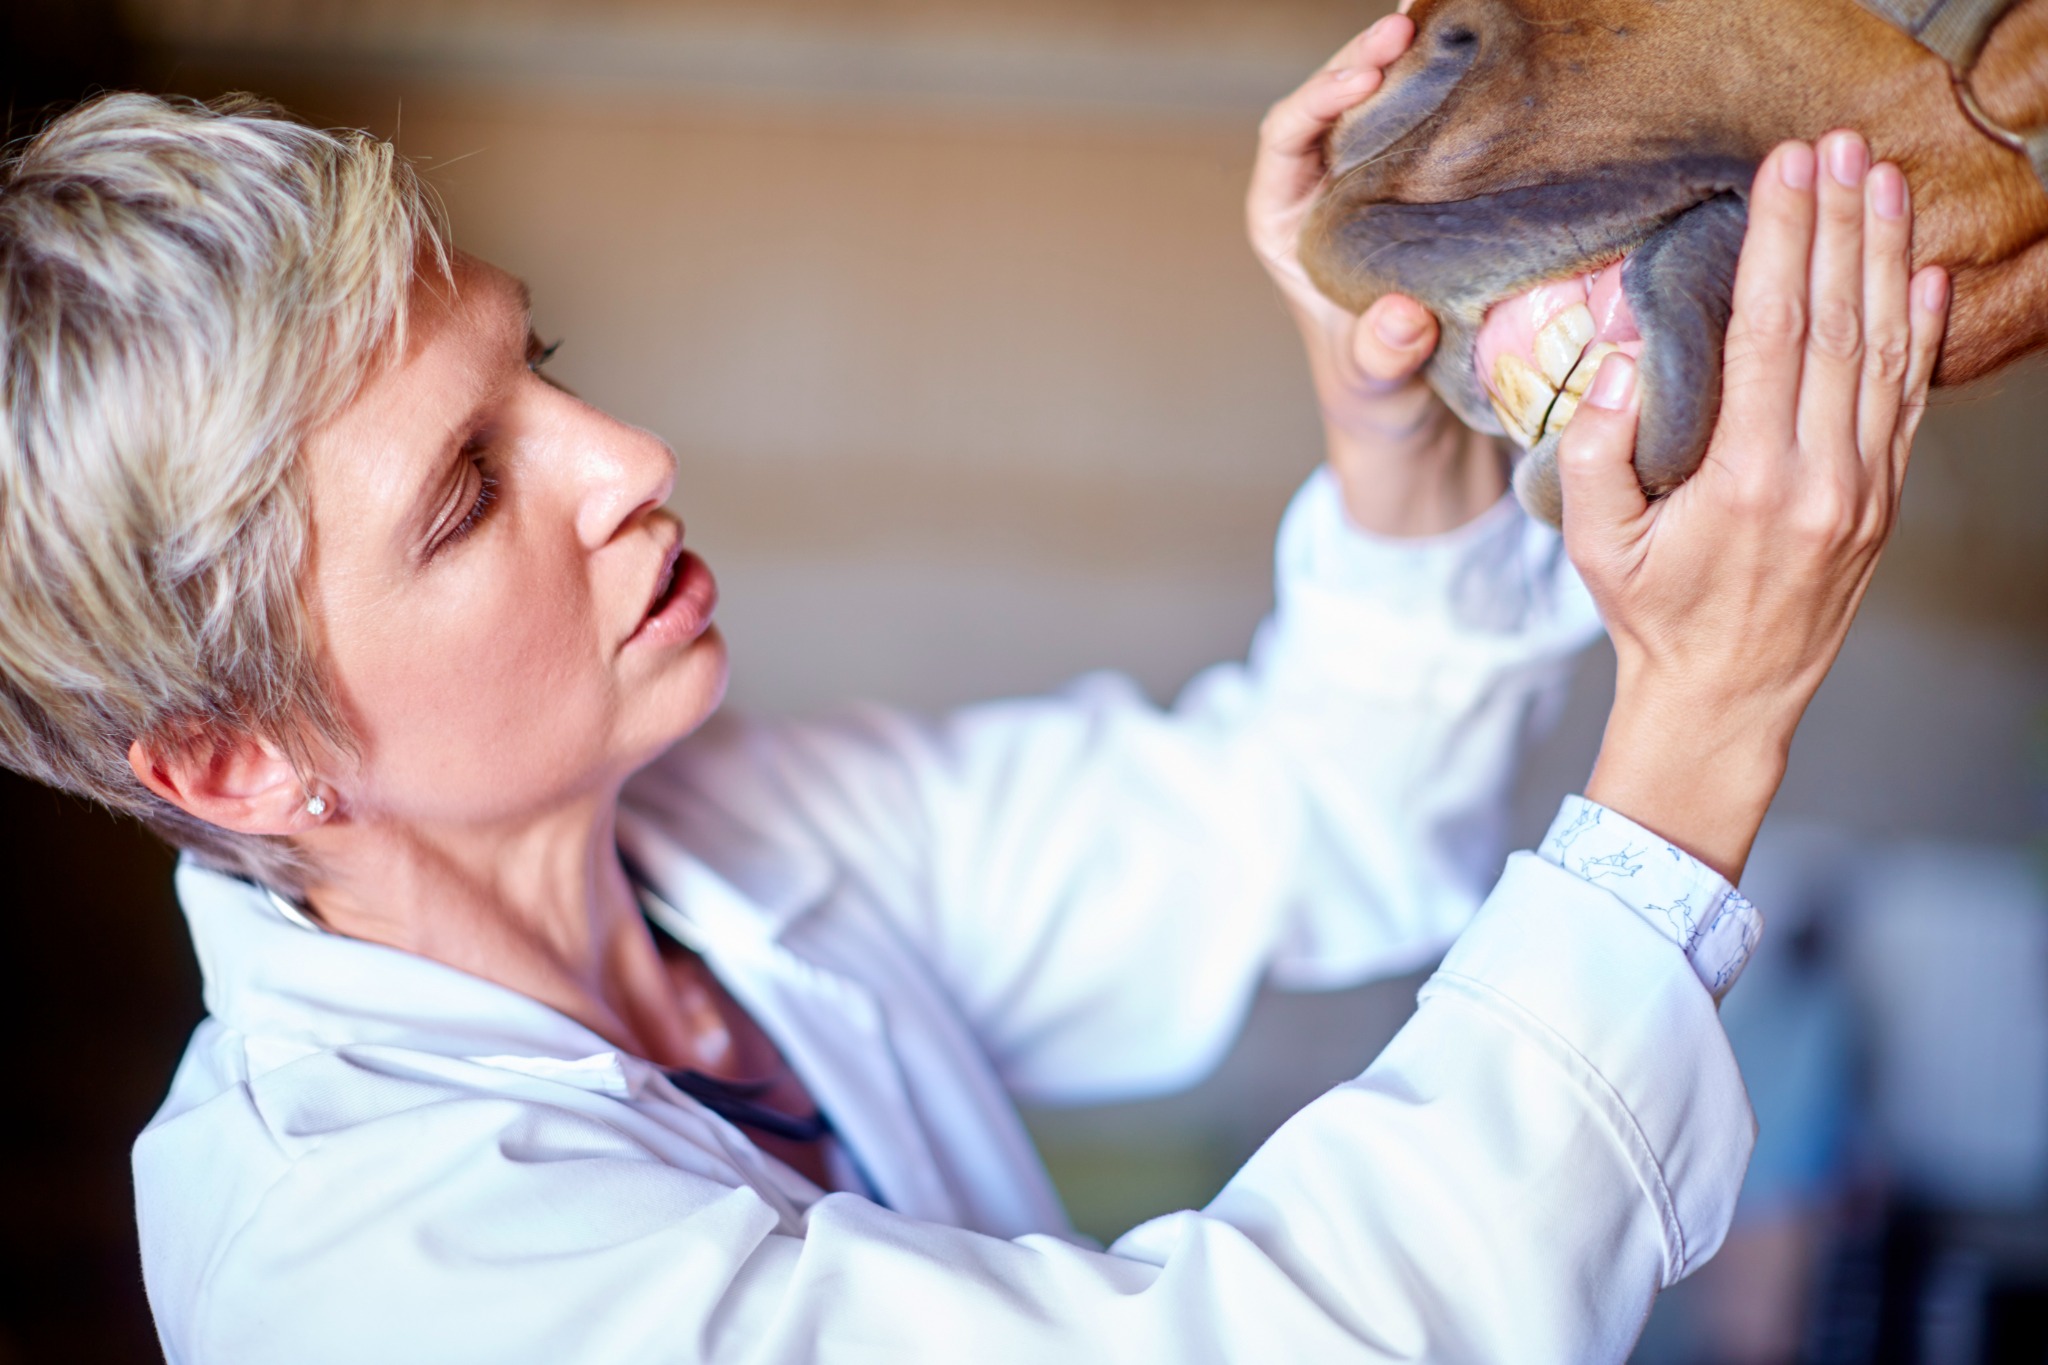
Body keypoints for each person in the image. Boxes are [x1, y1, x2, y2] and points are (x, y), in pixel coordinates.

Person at [0, 13, 1946, 1363]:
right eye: (466, 493)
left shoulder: (695, 840)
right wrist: (1695, 726)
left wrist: (1404, 436)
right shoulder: (387, 1277)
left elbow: (1292, 829)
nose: (624, 454)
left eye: (541, 364)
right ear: (234, 756)